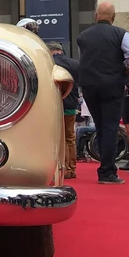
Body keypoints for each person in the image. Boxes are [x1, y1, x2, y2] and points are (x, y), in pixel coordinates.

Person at [77, 2, 129, 184]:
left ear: (96, 15)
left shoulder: (83, 36)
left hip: (89, 85)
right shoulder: (120, 33)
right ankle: (107, 172)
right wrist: (127, 68)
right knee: (111, 127)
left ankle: (105, 168)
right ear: (113, 17)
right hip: (112, 84)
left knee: (100, 124)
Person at [47, 42, 79, 179]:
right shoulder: (74, 63)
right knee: (70, 137)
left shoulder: (49, 63)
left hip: (54, 105)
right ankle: (71, 169)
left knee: (56, 139)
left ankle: (60, 167)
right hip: (71, 105)